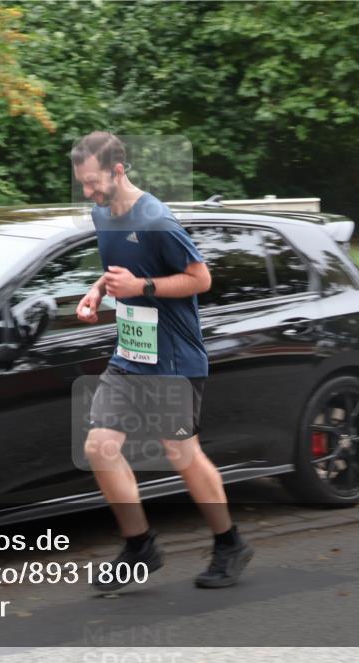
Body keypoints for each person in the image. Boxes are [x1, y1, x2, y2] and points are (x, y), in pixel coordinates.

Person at [71, 131, 254, 590]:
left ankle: (230, 542)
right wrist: (96, 292)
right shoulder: (101, 213)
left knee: (180, 452)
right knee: (99, 446)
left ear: (118, 170)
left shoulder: (156, 219)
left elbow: (200, 278)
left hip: (173, 356)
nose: (88, 192)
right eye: (82, 184)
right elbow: (119, 269)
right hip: (132, 353)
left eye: (93, 182)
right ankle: (140, 546)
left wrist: (143, 288)